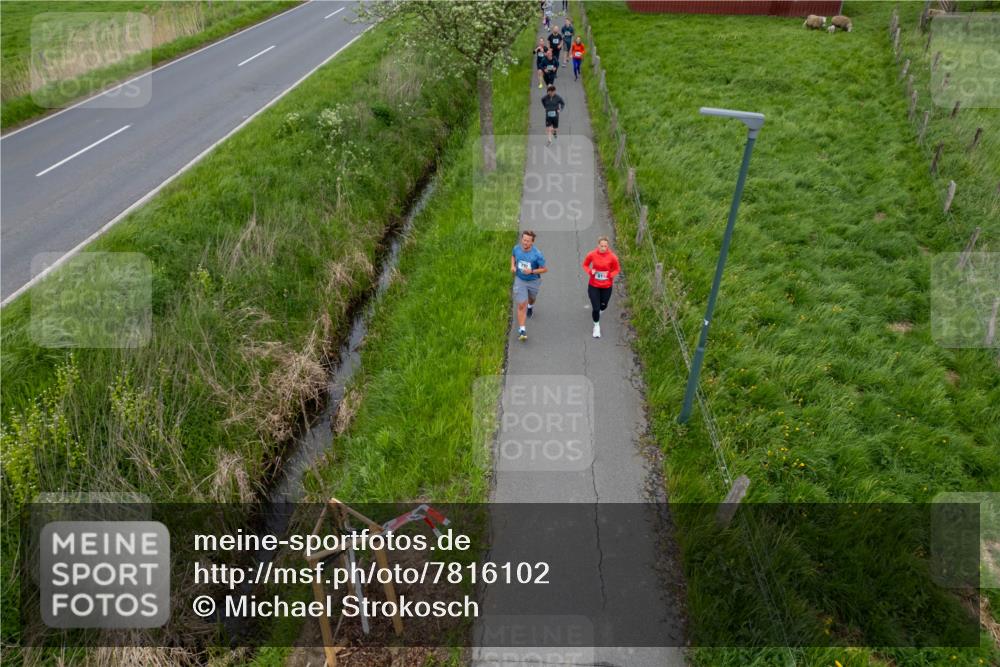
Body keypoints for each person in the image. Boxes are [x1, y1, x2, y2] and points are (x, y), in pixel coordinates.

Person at [511, 230, 547, 341]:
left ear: (532, 242)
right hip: (520, 279)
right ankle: (522, 330)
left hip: (533, 281)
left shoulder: (537, 254)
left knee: (532, 298)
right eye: (524, 239)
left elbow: (544, 269)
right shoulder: (516, 248)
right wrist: (512, 266)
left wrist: (531, 271)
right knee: (521, 304)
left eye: (528, 241)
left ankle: (530, 307)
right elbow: (513, 256)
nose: (525, 242)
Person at [581, 236, 620, 338]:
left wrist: (610, 275)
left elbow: (617, 269)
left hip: (607, 285)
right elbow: (585, 265)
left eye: (605, 246)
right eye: (601, 246)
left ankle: (599, 312)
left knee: (604, 305)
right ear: (598, 245)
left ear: (608, 246)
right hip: (594, 285)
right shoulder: (592, 254)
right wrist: (590, 271)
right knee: (596, 308)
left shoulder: (613, 257)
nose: (603, 248)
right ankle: (596, 326)